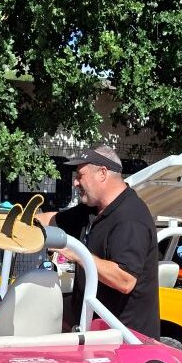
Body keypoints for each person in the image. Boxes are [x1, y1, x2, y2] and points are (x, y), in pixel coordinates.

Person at [39, 145, 160, 338]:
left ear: (102, 173)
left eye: (80, 176)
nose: (76, 183)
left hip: (125, 342)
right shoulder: (93, 209)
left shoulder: (130, 217)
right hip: (96, 333)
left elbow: (125, 280)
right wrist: (20, 220)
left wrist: (78, 253)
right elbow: (54, 220)